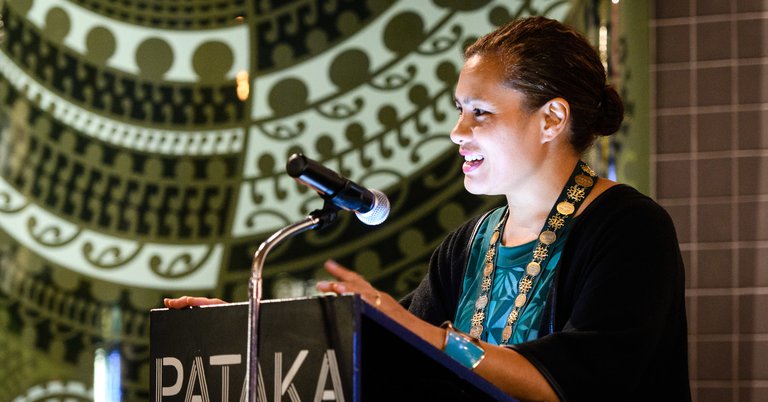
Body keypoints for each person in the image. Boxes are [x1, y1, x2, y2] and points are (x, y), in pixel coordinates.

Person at [166, 16, 691, 401]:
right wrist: (252, 331)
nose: (457, 132)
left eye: (480, 113)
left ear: (552, 118)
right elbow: (392, 357)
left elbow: (578, 384)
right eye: (460, 110)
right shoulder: (469, 244)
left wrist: (418, 329)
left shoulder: (630, 229)